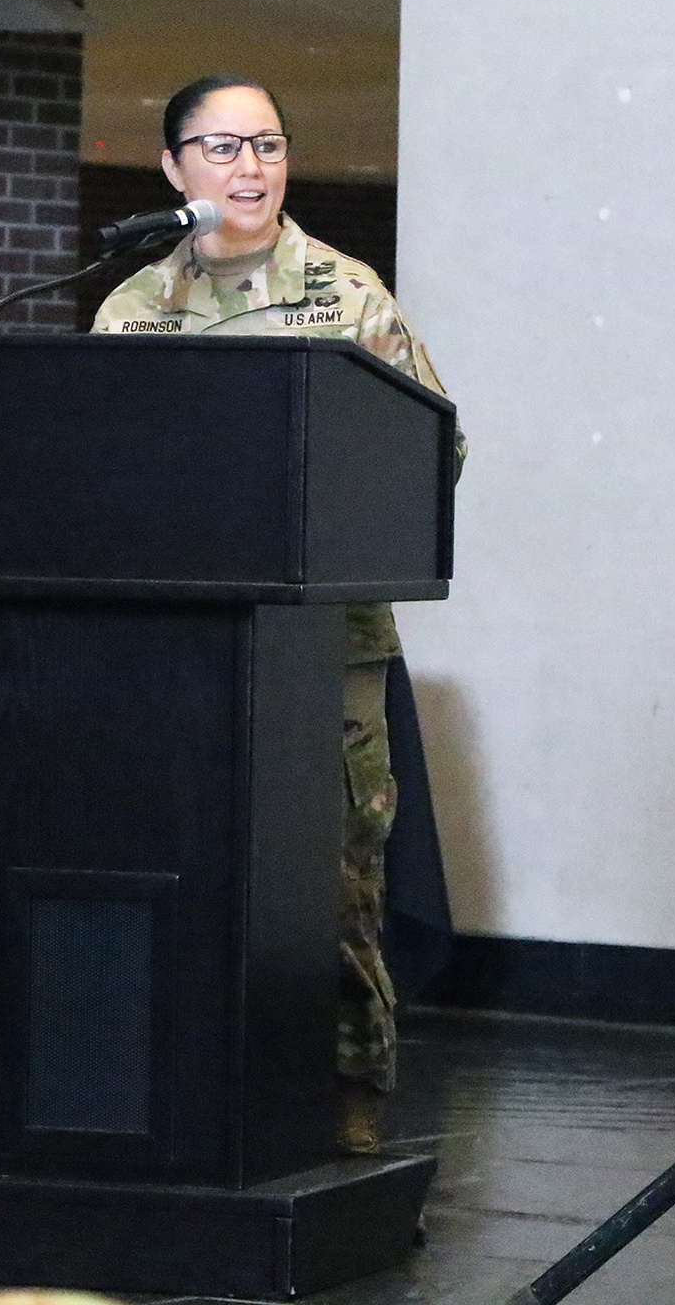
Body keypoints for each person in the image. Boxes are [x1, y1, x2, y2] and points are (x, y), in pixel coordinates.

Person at [91, 74, 464, 1154]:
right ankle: (173, 1091)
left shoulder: (344, 296)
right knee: (181, 865)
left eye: (268, 144)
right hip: (176, 646)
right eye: (221, 147)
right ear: (172, 169)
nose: (249, 168)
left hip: (323, 645)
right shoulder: (131, 310)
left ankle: (344, 1110)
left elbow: (433, 452)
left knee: (334, 873)